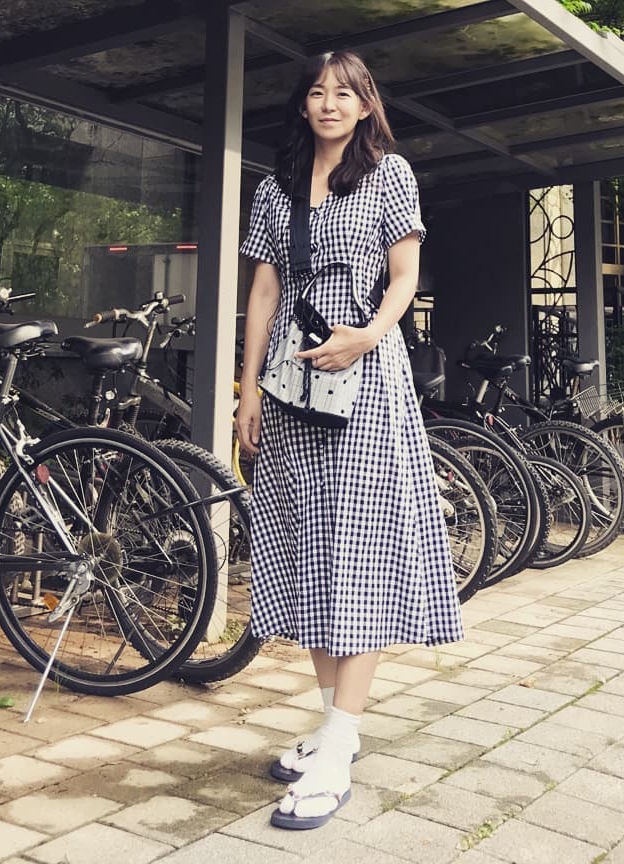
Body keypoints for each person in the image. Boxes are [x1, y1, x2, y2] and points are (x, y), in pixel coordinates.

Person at [235, 50, 464, 831]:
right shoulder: (273, 189)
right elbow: (265, 288)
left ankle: (338, 744)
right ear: (303, 106)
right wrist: (246, 389)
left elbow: (405, 277)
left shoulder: (389, 175)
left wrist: (365, 336)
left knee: (356, 549)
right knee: (309, 545)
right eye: (316, 91)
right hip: (291, 385)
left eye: (344, 92)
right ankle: (336, 723)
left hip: (367, 381)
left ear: (366, 105)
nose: (328, 103)